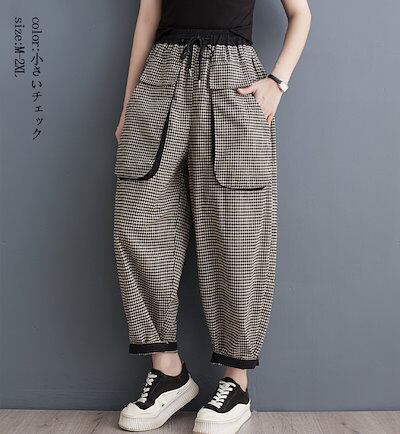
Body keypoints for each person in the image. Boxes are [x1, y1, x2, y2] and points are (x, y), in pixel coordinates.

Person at [113, 0, 311, 432]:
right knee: (139, 221)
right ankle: (167, 371)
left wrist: (277, 82)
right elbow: (148, 16)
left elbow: (302, 14)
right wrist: (128, 104)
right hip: (160, 80)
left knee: (237, 233)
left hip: (233, 82)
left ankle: (236, 382)